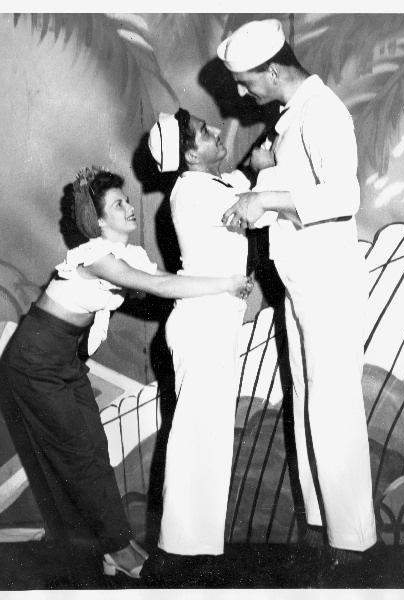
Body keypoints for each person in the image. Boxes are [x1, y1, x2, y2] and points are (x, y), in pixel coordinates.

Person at [0, 166, 252, 582]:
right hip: (34, 361)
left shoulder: (129, 256)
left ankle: (115, 546)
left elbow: (165, 279)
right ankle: (115, 549)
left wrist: (222, 282)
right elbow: (160, 287)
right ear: (99, 221)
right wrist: (227, 283)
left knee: (94, 450)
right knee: (79, 456)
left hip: (63, 358)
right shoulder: (96, 257)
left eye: (126, 200)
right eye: (118, 205)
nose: (130, 208)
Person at [217, 19, 377, 582]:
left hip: (328, 281)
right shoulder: (293, 115)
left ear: (273, 70)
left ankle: (353, 541)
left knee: (332, 405)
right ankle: (321, 519)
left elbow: (344, 195)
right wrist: (264, 180)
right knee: (309, 396)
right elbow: (298, 191)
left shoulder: (323, 111)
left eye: (245, 82)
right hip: (301, 280)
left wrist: (266, 197)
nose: (242, 94)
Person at [147, 110, 252, 573]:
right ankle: (177, 552)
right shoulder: (194, 192)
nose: (215, 132)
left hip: (211, 322)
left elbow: (238, 187)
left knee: (206, 437)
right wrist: (264, 175)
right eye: (205, 133)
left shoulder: (203, 186)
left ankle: (195, 549)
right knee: (196, 438)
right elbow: (254, 209)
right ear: (190, 155)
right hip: (203, 324)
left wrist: (253, 170)